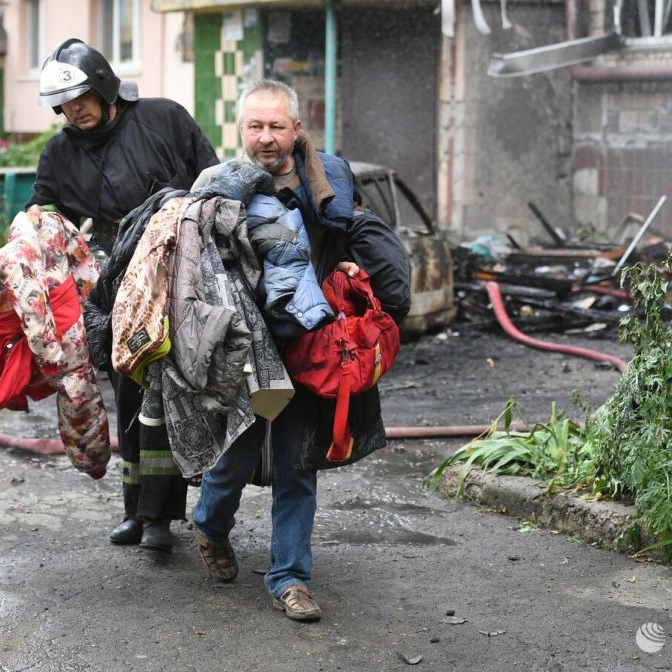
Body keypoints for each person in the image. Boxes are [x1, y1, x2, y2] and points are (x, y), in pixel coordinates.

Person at [191, 79, 410, 621]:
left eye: (276, 126)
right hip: (246, 352)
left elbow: (342, 243)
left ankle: (290, 579)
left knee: (296, 465)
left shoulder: (326, 184)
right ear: (242, 129)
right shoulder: (218, 187)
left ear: (296, 129)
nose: (266, 138)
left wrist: (343, 269)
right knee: (236, 458)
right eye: (255, 126)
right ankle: (211, 526)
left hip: (308, 348)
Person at [26, 38, 219, 551]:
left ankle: (163, 517)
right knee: (130, 394)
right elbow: (44, 212)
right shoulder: (60, 152)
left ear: (106, 86)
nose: (74, 111)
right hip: (110, 287)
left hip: (178, 275)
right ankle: (136, 510)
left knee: (171, 390)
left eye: (82, 98)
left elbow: (212, 182)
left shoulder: (165, 120)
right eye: (64, 105)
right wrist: (29, 234)